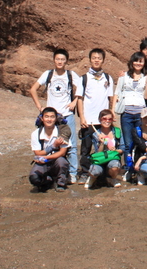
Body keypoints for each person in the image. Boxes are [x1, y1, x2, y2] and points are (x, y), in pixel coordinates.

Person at [29, 48, 82, 184]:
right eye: (58, 59)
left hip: (67, 115)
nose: (60, 62)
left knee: (71, 146)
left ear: (66, 61)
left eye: (62, 59)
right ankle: (50, 170)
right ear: (54, 60)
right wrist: (40, 107)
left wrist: (74, 102)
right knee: (49, 144)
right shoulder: (48, 74)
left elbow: (82, 88)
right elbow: (33, 89)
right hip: (51, 117)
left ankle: (72, 173)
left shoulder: (71, 75)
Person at [115, 52, 147, 178]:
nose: (138, 63)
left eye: (141, 61)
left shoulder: (144, 77)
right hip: (126, 113)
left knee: (139, 142)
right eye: (136, 61)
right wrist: (112, 110)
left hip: (140, 113)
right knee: (128, 143)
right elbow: (117, 93)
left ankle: (139, 169)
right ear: (132, 62)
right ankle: (128, 168)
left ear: (143, 64)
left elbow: (146, 96)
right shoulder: (124, 77)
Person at [78, 48, 114, 172]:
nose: (96, 60)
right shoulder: (84, 78)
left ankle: (103, 172)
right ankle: (84, 172)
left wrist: (111, 114)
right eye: (94, 58)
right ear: (90, 59)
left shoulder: (108, 78)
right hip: (89, 120)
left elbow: (111, 98)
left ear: (103, 60)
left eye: (99, 58)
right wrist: (82, 117)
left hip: (103, 121)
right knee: (86, 148)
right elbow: (80, 99)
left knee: (104, 147)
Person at [29, 107, 70, 192]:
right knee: (34, 178)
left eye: (52, 117)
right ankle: (47, 181)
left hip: (54, 160)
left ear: (56, 119)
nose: (49, 119)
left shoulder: (62, 132)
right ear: (42, 118)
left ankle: (60, 183)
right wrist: (54, 146)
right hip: (42, 161)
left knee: (62, 162)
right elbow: (37, 153)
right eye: (46, 116)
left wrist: (46, 158)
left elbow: (62, 153)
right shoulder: (35, 134)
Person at [84, 109, 123, 189]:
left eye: (110, 119)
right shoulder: (95, 134)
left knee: (115, 165)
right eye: (104, 119)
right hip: (100, 160)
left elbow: (122, 148)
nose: (107, 121)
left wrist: (115, 150)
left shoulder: (117, 132)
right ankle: (92, 178)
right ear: (99, 120)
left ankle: (112, 179)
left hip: (112, 159)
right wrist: (101, 143)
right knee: (94, 171)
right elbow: (97, 153)